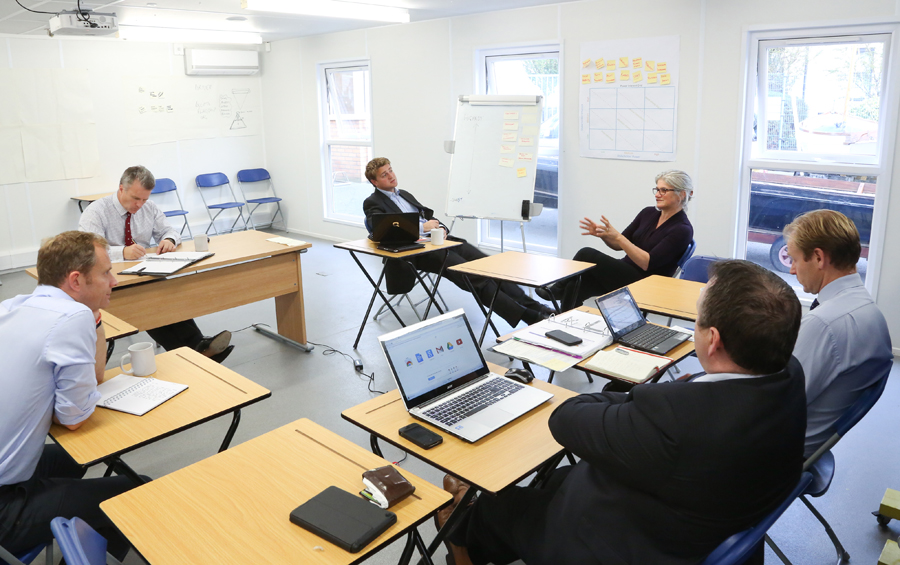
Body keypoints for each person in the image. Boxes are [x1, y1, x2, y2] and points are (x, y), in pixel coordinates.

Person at [441, 260, 806, 565]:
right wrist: (640, 402)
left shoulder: (678, 421)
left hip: (628, 543)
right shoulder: (788, 375)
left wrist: (636, 399)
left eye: (696, 319)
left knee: (500, 507)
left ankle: (463, 543)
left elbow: (565, 418)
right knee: (556, 479)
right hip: (704, 513)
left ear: (712, 340)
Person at [0, 231, 144, 561]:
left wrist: (94, 318)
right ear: (76, 280)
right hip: (4, 507)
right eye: (106, 272)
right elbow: (73, 418)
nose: (114, 281)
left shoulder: (12, 306)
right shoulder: (71, 317)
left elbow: (91, 380)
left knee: (73, 459)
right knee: (138, 490)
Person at [362, 157, 554, 327]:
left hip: (438, 241)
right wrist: (422, 228)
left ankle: (536, 306)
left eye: (391, 170)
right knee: (474, 277)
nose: (391, 176)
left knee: (488, 266)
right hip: (416, 252)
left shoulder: (404, 194)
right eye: (384, 175)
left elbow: (427, 216)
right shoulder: (373, 202)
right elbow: (382, 229)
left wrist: (441, 228)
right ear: (374, 182)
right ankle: (527, 316)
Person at [79, 165, 233, 362]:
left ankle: (196, 350)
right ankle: (197, 350)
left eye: (144, 199)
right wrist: (122, 252)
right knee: (148, 302)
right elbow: (88, 250)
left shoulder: (148, 207)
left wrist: (168, 240)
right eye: (135, 198)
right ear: (121, 189)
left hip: (143, 271)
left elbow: (170, 231)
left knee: (167, 294)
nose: (139, 204)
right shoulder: (96, 211)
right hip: (110, 278)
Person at [783, 209, 892, 458]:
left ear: (818, 258)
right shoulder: (866, 309)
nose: (792, 270)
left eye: (795, 260)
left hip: (777, 452)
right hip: (808, 442)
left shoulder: (824, 324)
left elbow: (772, 403)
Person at [541, 170, 694, 310]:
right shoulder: (648, 213)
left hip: (647, 283)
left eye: (664, 190)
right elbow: (618, 245)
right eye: (657, 189)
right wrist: (605, 235)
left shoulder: (682, 229)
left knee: (586, 253)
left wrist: (619, 238)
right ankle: (564, 319)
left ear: (682, 194)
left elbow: (647, 263)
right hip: (626, 272)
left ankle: (555, 290)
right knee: (577, 282)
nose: (657, 194)